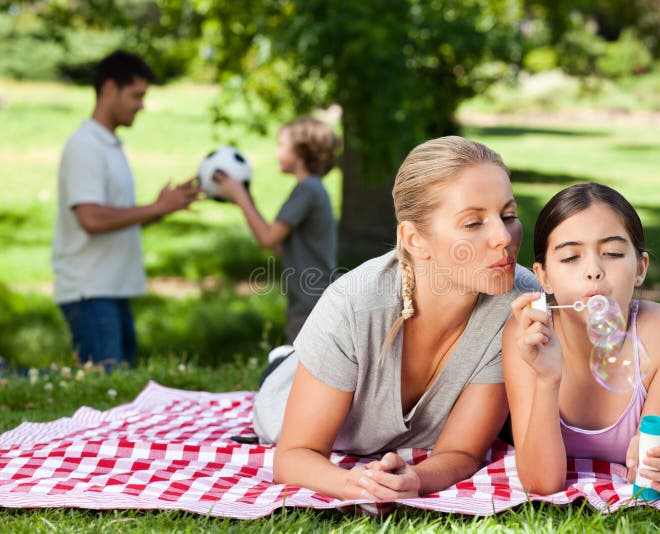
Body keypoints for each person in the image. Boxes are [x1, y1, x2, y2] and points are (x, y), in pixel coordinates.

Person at [250, 136, 540, 501]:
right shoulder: (354, 305)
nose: (503, 237)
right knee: (286, 372)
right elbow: (293, 457)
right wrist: (358, 485)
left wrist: (415, 480)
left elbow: (462, 452)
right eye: (473, 223)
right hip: (285, 393)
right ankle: (287, 359)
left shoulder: (516, 301)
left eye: (508, 215)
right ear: (415, 239)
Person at [503, 182, 660, 497]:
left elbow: (647, 469)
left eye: (613, 253)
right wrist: (547, 378)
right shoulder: (528, 335)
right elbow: (541, 484)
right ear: (543, 276)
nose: (593, 271)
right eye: (571, 257)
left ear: (641, 268)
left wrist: (655, 464)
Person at [52, 50, 199, 370]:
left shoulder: (110, 145)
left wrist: (163, 209)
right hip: (90, 290)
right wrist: (155, 206)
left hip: (112, 287)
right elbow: (90, 218)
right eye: (137, 95)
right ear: (109, 89)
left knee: (121, 385)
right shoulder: (85, 146)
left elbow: (114, 218)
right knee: (107, 386)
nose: (142, 105)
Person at [213, 117, 339, 343]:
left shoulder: (307, 190)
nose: (276, 153)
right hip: (311, 303)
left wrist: (239, 195)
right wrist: (246, 199)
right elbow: (280, 245)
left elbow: (267, 238)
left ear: (301, 153)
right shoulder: (312, 189)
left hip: (310, 307)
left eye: (281, 145)